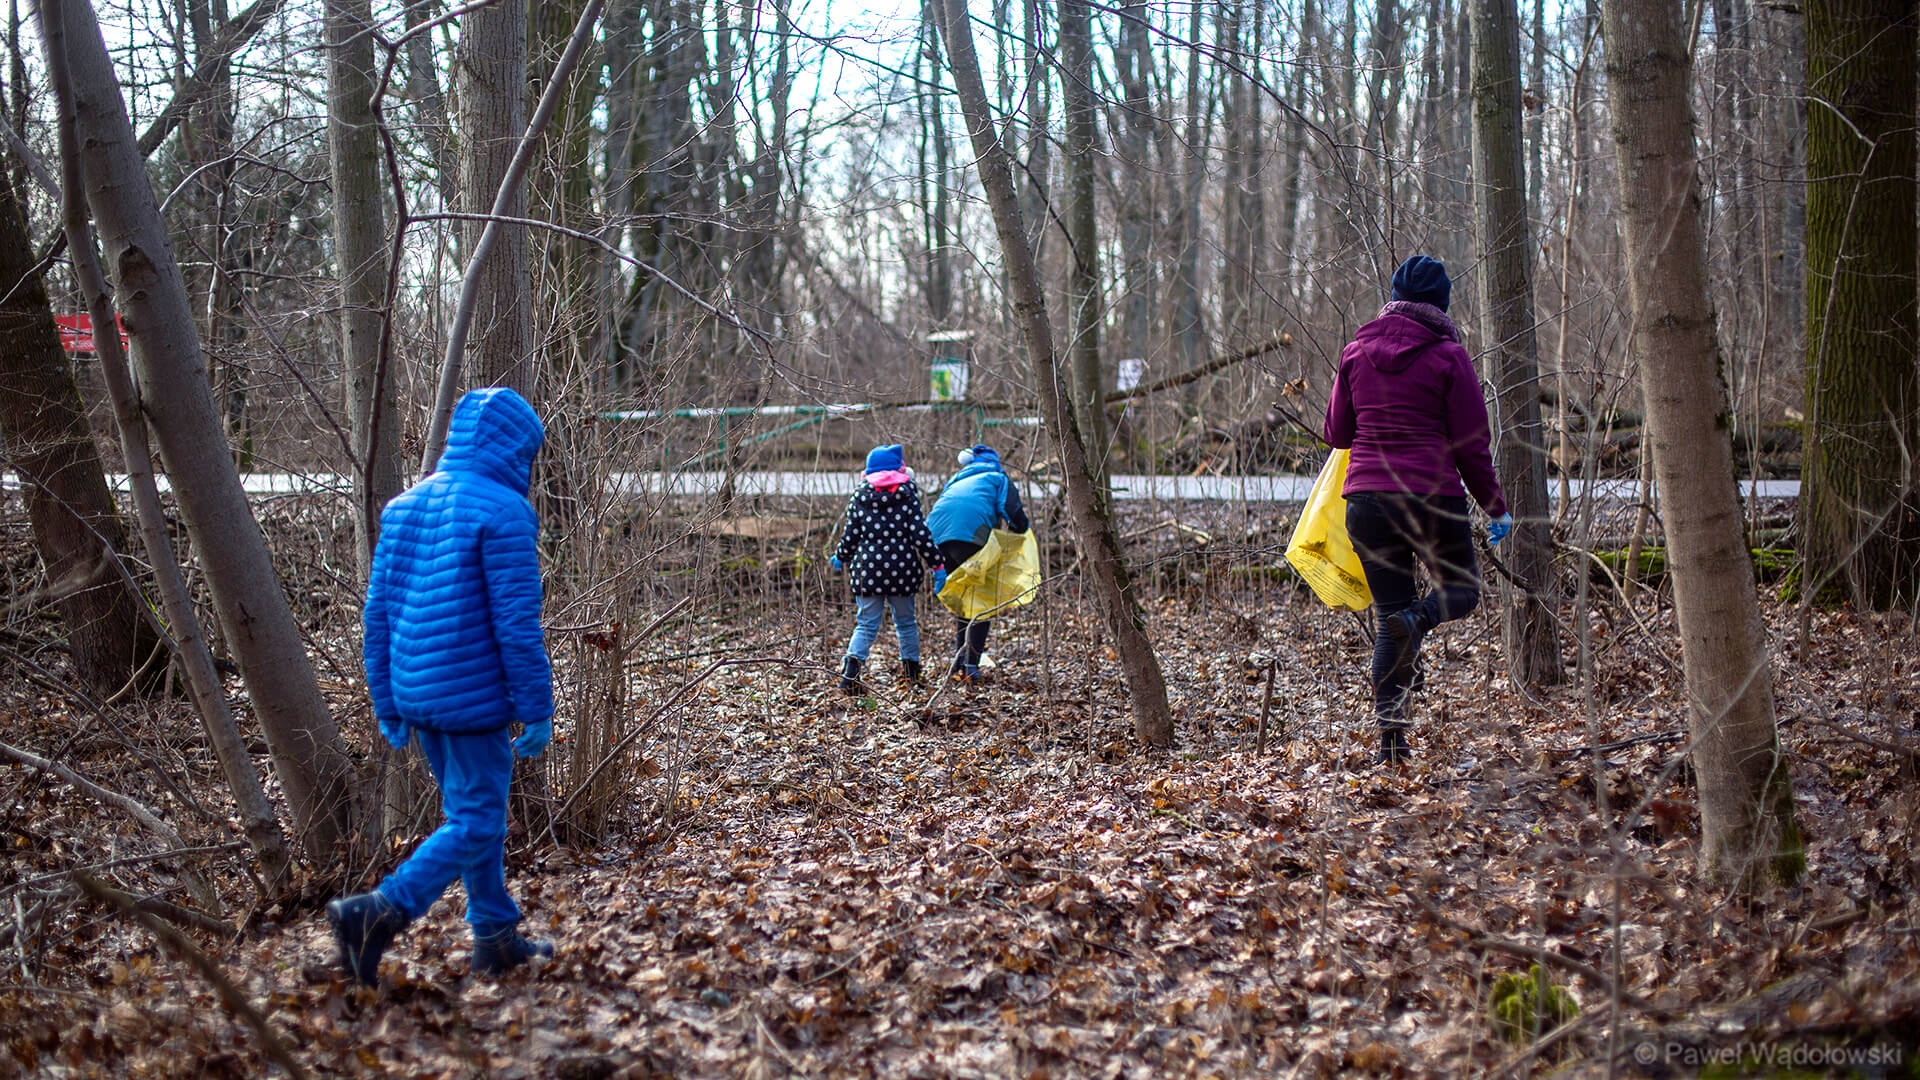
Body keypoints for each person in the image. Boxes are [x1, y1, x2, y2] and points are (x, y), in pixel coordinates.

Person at [327, 387, 556, 985]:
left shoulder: (405, 507)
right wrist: (536, 707)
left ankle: (495, 936)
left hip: (418, 695)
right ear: (518, 449)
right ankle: (379, 912)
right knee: (477, 822)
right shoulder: (505, 512)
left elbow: (377, 615)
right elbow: (516, 624)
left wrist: (387, 701)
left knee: (472, 815)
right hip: (472, 699)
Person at [1323, 255, 1512, 765]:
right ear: (1441, 305)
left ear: (1394, 298)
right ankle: (1418, 618)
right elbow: (1471, 445)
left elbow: (1337, 433)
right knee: (1462, 593)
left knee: (1390, 618)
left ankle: (1392, 748)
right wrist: (1495, 508)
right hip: (1430, 498)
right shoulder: (1448, 356)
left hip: (1367, 502)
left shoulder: (1356, 351)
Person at [829, 444, 946, 693]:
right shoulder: (907, 495)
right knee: (905, 623)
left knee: (866, 624)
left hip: (868, 571)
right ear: (900, 470)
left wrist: (841, 556)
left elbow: (851, 535)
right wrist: (937, 564)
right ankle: (912, 674)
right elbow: (920, 535)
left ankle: (850, 675)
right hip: (902, 571)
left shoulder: (860, 496)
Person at [926, 444, 1030, 681]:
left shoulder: (957, 479)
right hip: (971, 536)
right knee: (981, 600)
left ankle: (959, 661)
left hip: (936, 539)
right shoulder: (998, 477)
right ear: (996, 463)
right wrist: (1021, 531)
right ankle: (971, 666)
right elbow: (1011, 510)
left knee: (965, 600)